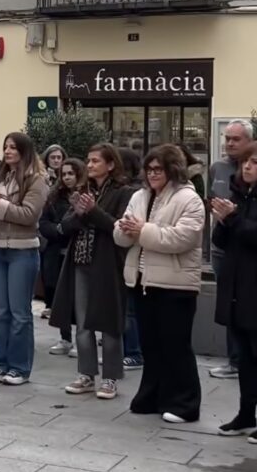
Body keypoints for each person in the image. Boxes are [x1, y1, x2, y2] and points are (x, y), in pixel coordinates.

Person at [115, 144, 205, 424]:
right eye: (149, 169)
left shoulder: (189, 199)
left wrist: (141, 230)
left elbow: (180, 239)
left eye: (159, 169)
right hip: (143, 281)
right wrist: (127, 230)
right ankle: (152, 396)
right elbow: (120, 234)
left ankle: (185, 403)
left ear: (172, 170)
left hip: (175, 284)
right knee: (151, 345)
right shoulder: (139, 196)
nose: (152, 174)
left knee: (176, 346)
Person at [50, 144, 132, 399]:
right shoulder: (83, 190)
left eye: (96, 160)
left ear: (110, 165)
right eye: (89, 160)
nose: (90, 164)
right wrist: (81, 213)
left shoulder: (124, 193)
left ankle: (110, 378)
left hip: (107, 264)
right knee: (83, 323)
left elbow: (118, 228)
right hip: (80, 261)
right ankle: (86, 374)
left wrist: (93, 211)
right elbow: (66, 224)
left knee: (109, 321)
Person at [0, 132, 48, 386]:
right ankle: (2, 364)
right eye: (5, 147)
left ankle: (20, 368)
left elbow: (29, 215)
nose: (7, 151)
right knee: (1, 312)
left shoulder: (36, 180)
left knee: (19, 313)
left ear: (24, 151)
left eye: (13, 147)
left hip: (22, 250)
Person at [212, 141, 257, 441]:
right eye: (245, 162)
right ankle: (245, 414)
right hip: (238, 287)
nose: (247, 167)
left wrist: (234, 219)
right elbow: (221, 240)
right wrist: (223, 222)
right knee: (245, 357)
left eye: (253, 161)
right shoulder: (238, 193)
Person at [210, 119, 254, 379]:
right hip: (223, 246)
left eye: (236, 139)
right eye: (227, 138)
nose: (229, 143)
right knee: (229, 302)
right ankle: (233, 361)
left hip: (249, 252)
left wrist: (234, 217)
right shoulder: (218, 168)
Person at [40, 157, 85, 355]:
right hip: (55, 251)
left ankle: (80, 340)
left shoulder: (85, 195)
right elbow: (43, 223)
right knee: (59, 296)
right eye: (64, 174)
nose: (67, 178)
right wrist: (57, 229)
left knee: (79, 299)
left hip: (77, 252)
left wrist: (66, 228)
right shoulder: (53, 197)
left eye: (71, 174)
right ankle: (65, 337)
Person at [118, 146, 144, 371]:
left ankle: (133, 352)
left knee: (130, 308)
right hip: (123, 253)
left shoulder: (131, 191)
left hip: (131, 256)